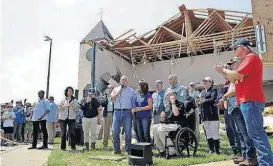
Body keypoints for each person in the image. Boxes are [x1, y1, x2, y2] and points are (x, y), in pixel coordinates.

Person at [214, 38, 273, 166]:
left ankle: (266, 163)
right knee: (254, 134)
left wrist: (223, 70)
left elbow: (237, 76)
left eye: (235, 48)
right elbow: (235, 80)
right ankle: (265, 162)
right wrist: (225, 72)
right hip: (248, 101)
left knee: (256, 134)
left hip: (250, 100)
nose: (234, 51)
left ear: (242, 47)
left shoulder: (251, 57)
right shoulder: (248, 60)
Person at [153, 91, 188, 157]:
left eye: (169, 95)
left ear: (174, 96)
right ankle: (162, 150)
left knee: (161, 129)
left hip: (178, 125)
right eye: (167, 96)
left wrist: (173, 103)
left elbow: (176, 114)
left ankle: (172, 152)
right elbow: (166, 119)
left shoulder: (180, 104)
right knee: (155, 127)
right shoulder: (168, 106)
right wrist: (162, 117)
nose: (167, 97)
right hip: (169, 125)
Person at [217, 78, 241, 158]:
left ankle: (239, 150)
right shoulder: (226, 85)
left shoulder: (233, 83)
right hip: (226, 109)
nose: (224, 76)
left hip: (234, 108)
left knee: (235, 130)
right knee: (228, 129)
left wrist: (224, 97)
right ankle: (234, 149)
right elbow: (220, 97)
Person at [111, 75, 135, 154]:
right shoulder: (115, 89)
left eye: (125, 80)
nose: (123, 81)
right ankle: (116, 150)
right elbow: (112, 99)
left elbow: (133, 103)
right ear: (120, 81)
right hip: (117, 112)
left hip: (127, 112)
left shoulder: (131, 91)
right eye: (122, 80)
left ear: (127, 82)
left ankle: (128, 150)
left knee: (128, 132)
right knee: (115, 131)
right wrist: (119, 91)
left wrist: (133, 113)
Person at [199, 77, 220, 154]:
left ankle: (217, 150)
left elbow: (213, 99)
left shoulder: (213, 90)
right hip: (204, 115)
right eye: (203, 81)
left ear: (211, 82)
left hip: (212, 115)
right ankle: (211, 149)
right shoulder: (202, 92)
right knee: (208, 132)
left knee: (214, 132)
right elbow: (200, 102)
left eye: (206, 81)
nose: (204, 82)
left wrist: (203, 100)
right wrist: (198, 102)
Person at [59, 86, 79, 152]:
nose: (70, 92)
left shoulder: (75, 100)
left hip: (71, 118)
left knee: (72, 132)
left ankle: (73, 146)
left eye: (71, 91)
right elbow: (59, 109)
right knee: (63, 133)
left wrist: (72, 106)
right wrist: (65, 106)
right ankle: (63, 147)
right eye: (69, 91)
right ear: (66, 92)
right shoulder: (62, 100)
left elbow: (76, 109)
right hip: (63, 118)